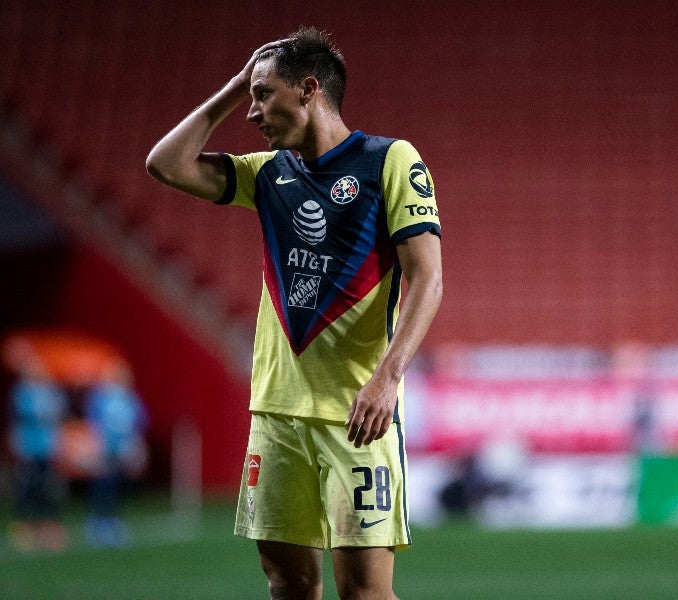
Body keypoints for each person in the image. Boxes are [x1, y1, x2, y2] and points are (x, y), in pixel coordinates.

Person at [146, 26, 442, 599]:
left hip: (358, 418)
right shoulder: (268, 173)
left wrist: (388, 379)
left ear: (308, 90)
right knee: (287, 586)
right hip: (277, 417)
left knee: (365, 593)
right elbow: (165, 163)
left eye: (263, 95)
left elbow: (428, 279)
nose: (252, 112)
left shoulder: (390, 160)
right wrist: (236, 83)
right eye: (250, 96)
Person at [7, 353, 69, 551]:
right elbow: (19, 418)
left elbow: (60, 412)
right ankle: (26, 524)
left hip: (48, 445)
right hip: (29, 445)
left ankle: (49, 524)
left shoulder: (50, 391)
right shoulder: (21, 392)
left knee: (50, 486)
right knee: (28, 486)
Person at [82, 362, 149, 547]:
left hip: (123, 447)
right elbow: (93, 421)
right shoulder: (101, 397)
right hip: (104, 447)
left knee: (118, 483)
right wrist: (94, 442)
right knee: (104, 482)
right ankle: (99, 519)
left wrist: (136, 442)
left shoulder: (129, 397)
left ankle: (113, 519)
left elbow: (141, 420)